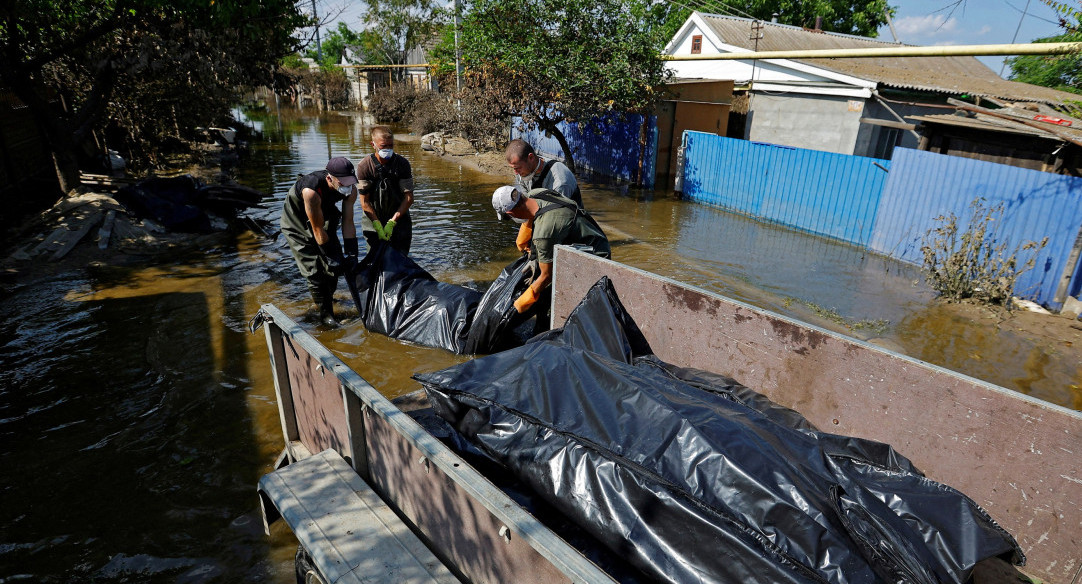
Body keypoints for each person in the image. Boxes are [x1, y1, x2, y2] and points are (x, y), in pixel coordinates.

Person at [492, 184, 610, 332]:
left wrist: (522, 302)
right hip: (586, 237)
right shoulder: (536, 193)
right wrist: (533, 255)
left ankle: (551, 330)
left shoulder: (544, 233)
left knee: (547, 298)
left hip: (596, 256)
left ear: (511, 213)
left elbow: (546, 276)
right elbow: (533, 219)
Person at [280, 156, 359, 327]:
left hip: (324, 213)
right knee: (314, 269)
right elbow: (317, 230)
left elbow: (348, 222)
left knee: (334, 269)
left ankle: (327, 297)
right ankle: (326, 316)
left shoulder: (351, 191)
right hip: (297, 221)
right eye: (343, 182)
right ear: (330, 178)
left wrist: (352, 253)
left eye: (350, 182)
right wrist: (330, 256)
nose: (348, 186)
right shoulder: (311, 191)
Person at [356, 126, 415, 254]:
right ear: (373, 144)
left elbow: (409, 198)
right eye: (383, 146)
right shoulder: (364, 166)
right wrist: (377, 224)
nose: (388, 149)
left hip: (399, 219)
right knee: (374, 259)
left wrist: (393, 222)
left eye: (391, 145)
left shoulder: (402, 164)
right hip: (372, 219)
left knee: (400, 258)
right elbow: (364, 202)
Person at [505, 139, 583, 209]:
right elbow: (528, 205)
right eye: (513, 168)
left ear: (531, 158)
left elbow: (557, 215)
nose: (516, 172)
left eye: (517, 168)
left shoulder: (559, 180)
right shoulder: (522, 173)